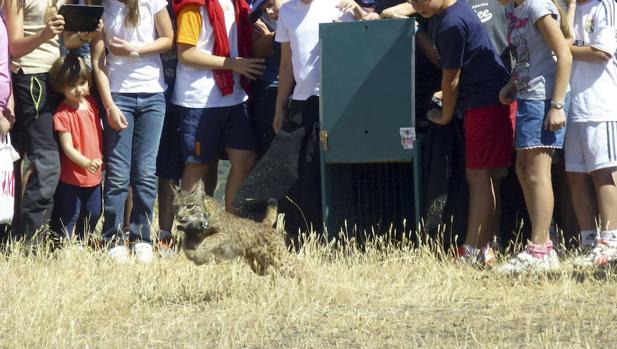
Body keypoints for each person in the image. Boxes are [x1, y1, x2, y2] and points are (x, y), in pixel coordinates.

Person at [410, 0, 514, 266]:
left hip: (482, 105)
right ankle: (485, 247)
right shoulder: (456, 11)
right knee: (486, 177)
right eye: (411, 0)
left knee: (478, 177)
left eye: (421, 0)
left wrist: (445, 114)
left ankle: (472, 250)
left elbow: (451, 78)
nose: (416, 4)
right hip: (489, 102)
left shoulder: (451, 23)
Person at [91, 0, 173, 263]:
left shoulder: (153, 2)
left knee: (146, 172)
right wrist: (109, 106)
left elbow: (169, 39)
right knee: (117, 173)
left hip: (152, 94)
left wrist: (135, 50)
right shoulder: (102, 7)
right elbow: (98, 62)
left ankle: (142, 237)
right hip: (118, 96)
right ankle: (113, 237)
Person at [273, 0, 364, 236]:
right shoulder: (286, 11)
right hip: (303, 101)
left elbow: (365, 39)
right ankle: (305, 233)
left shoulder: (341, 5)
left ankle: (344, 233)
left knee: (340, 168)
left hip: (339, 100)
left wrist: (359, 12)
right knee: (305, 171)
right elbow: (285, 64)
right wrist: (280, 106)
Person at [496, 0, 572, 272]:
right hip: (528, 97)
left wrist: (557, 105)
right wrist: (512, 85)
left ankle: (541, 250)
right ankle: (542, 244)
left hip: (545, 99)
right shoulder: (511, 10)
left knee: (537, 173)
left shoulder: (537, 7)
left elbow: (564, 54)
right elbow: (526, 57)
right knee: (523, 169)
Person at [171, 0, 264, 213]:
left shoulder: (239, 4)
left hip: (234, 96)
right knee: (198, 165)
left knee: (246, 159)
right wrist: (232, 63)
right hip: (199, 99)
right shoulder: (193, 5)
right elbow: (186, 54)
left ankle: (228, 227)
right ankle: (190, 230)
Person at [5, 0, 65, 246]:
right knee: (46, 163)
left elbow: (63, 41)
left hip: (56, 78)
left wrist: (82, 36)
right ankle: (31, 242)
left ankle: (25, 236)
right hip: (30, 78)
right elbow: (14, 46)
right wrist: (43, 34)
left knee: (42, 162)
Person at [564, 0, 617, 266]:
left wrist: (564, 49)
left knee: (603, 173)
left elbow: (602, 51)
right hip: (571, 105)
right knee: (575, 175)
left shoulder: (605, 5)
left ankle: (610, 241)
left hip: (601, 104)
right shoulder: (565, 8)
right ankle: (588, 241)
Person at [48, 54, 103, 243]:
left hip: (94, 174)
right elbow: (67, 148)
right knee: (71, 214)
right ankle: (65, 247)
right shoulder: (62, 114)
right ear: (60, 87)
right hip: (72, 176)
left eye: (82, 83)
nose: (79, 89)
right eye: (72, 86)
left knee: (94, 212)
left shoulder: (92, 104)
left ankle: (81, 241)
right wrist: (87, 163)